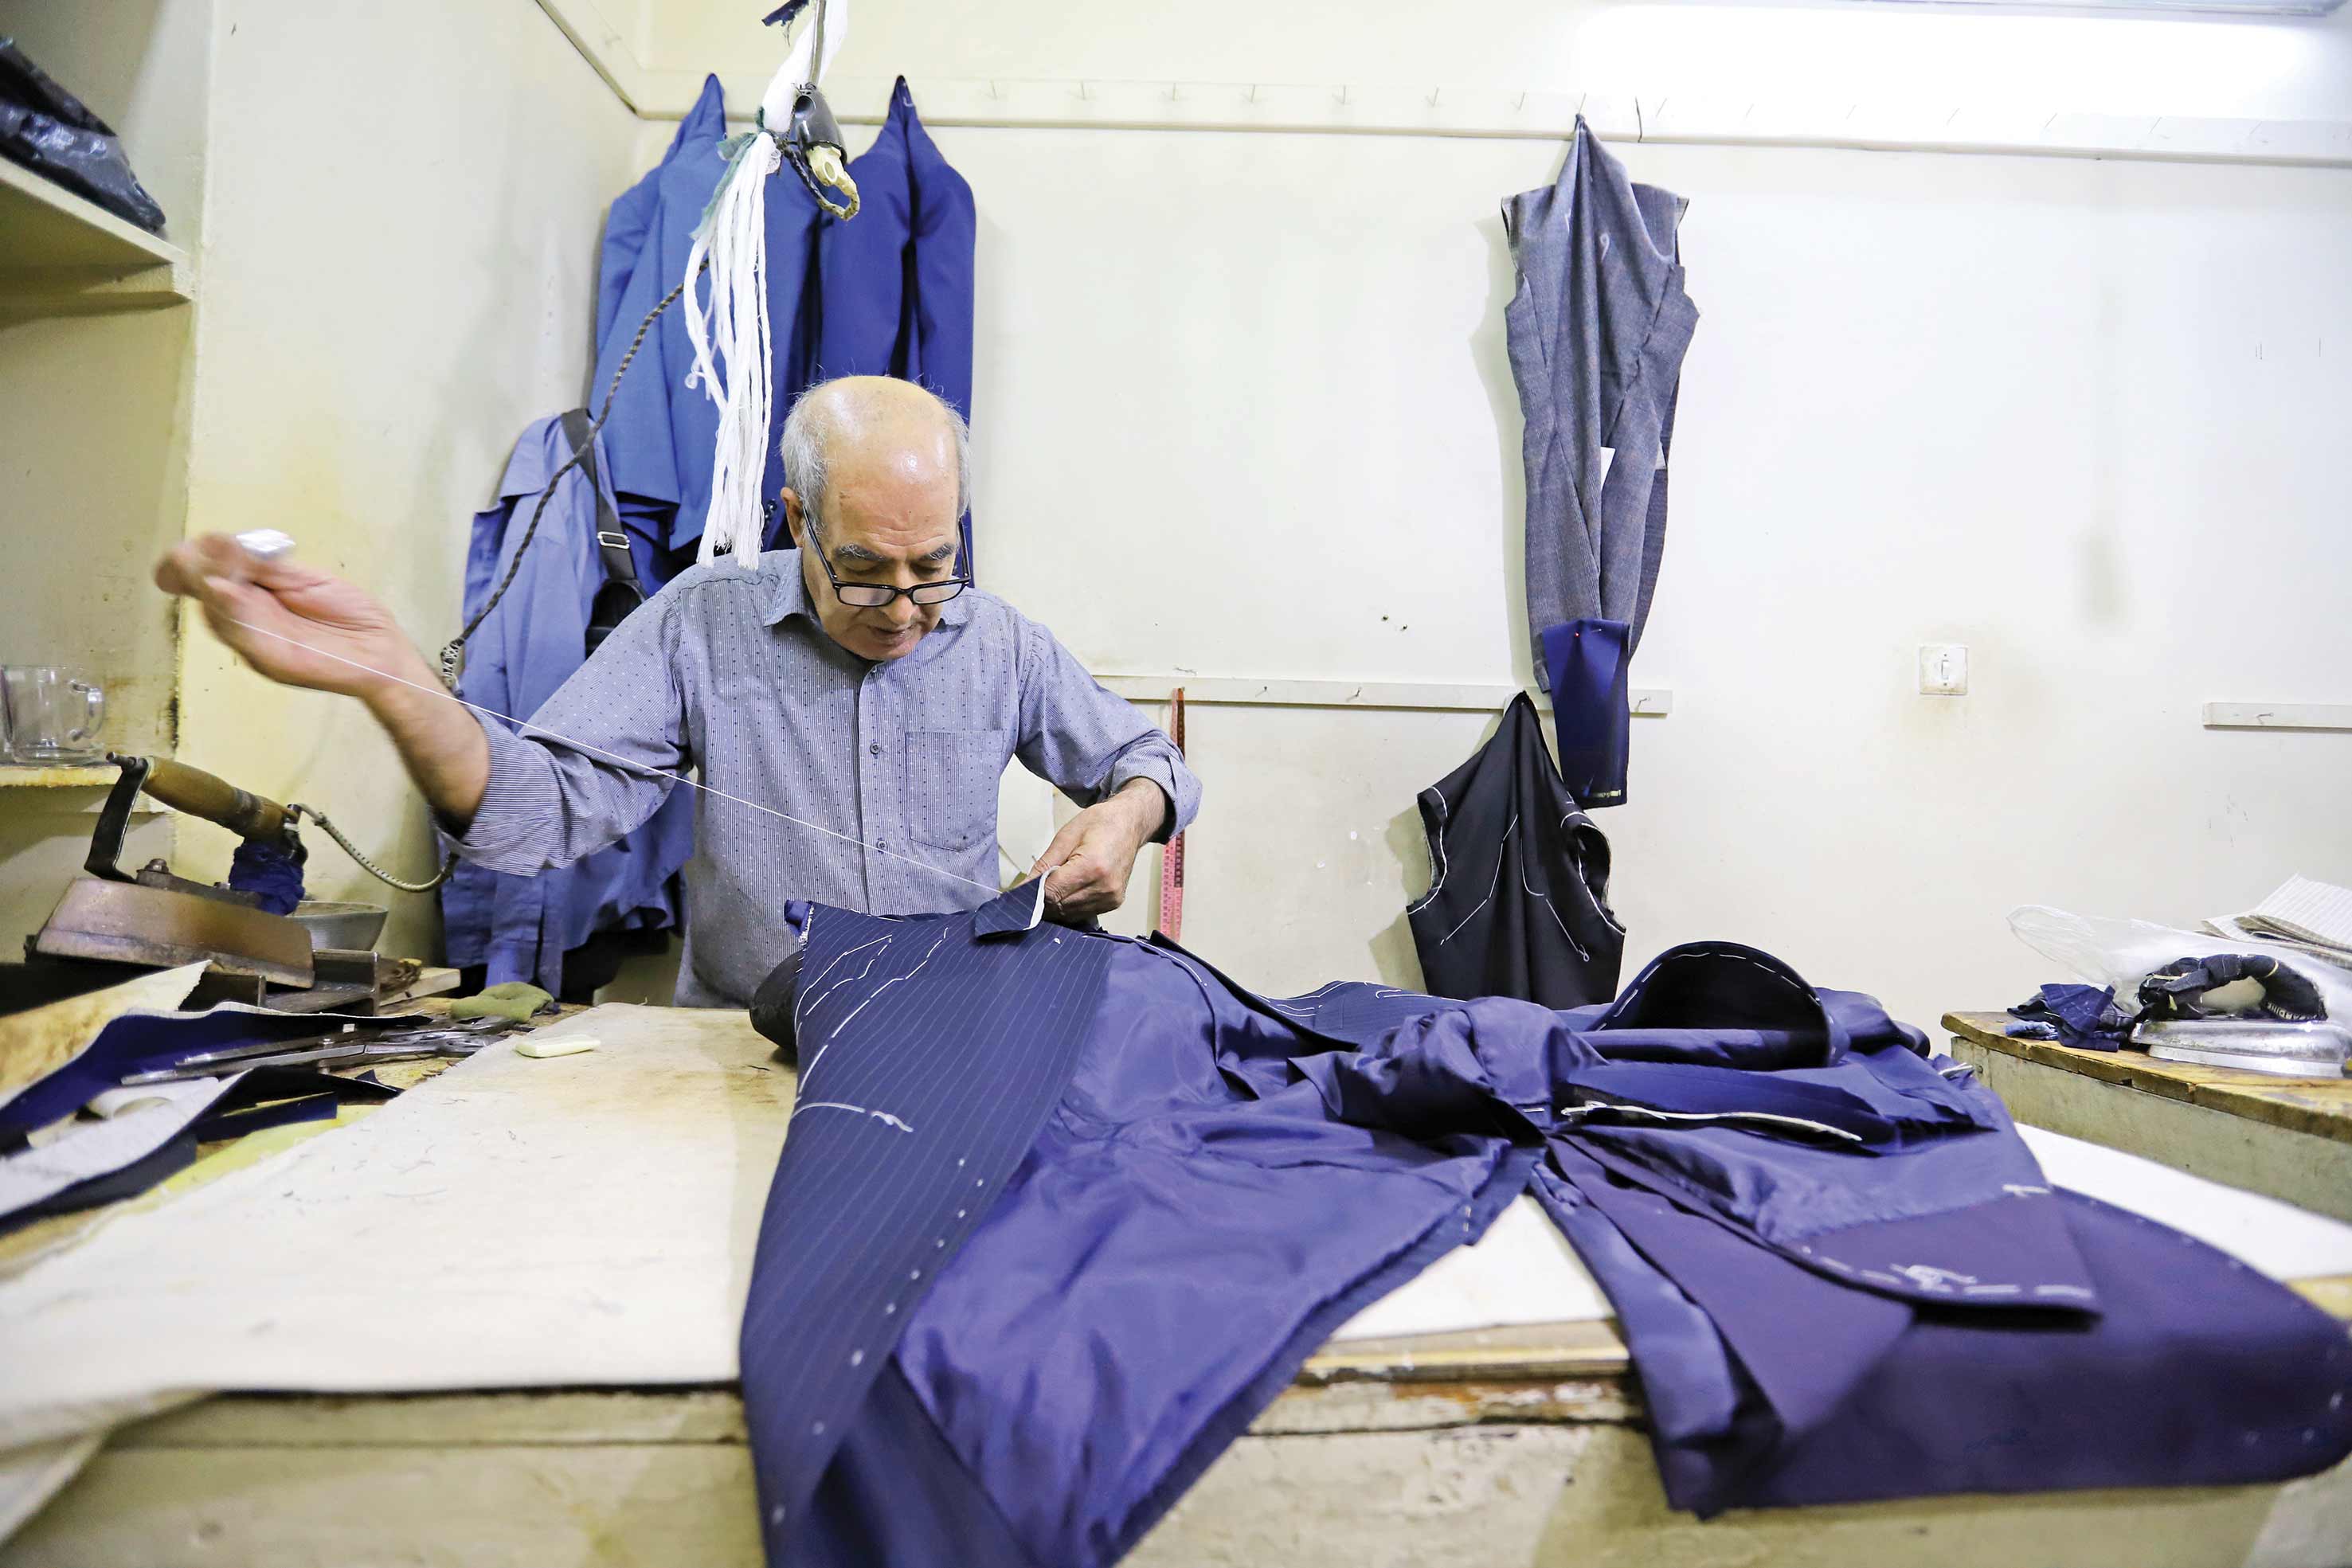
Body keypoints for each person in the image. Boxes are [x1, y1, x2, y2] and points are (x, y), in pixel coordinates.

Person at [155, 377, 1199, 1006]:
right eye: (863, 570)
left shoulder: (998, 641)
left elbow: (1152, 763)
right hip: (749, 1046)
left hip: (952, 1036)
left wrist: (1126, 815)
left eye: (932, 565)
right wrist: (390, 676)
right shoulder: (703, 621)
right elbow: (532, 813)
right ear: (796, 519)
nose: (902, 608)